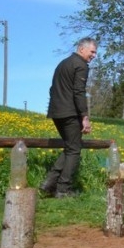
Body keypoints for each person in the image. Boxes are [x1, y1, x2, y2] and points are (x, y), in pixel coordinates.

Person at [40, 37, 98, 198]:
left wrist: (56, 107)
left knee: (70, 147)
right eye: (92, 52)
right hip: (69, 112)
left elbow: (53, 89)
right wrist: (84, 117)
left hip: (56, 112)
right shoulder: (80, 65)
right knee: (74, 150)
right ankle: (63, 189)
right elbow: (79, 92)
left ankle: (48, 184)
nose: (94, 56)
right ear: (82, 49)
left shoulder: (63, 63)